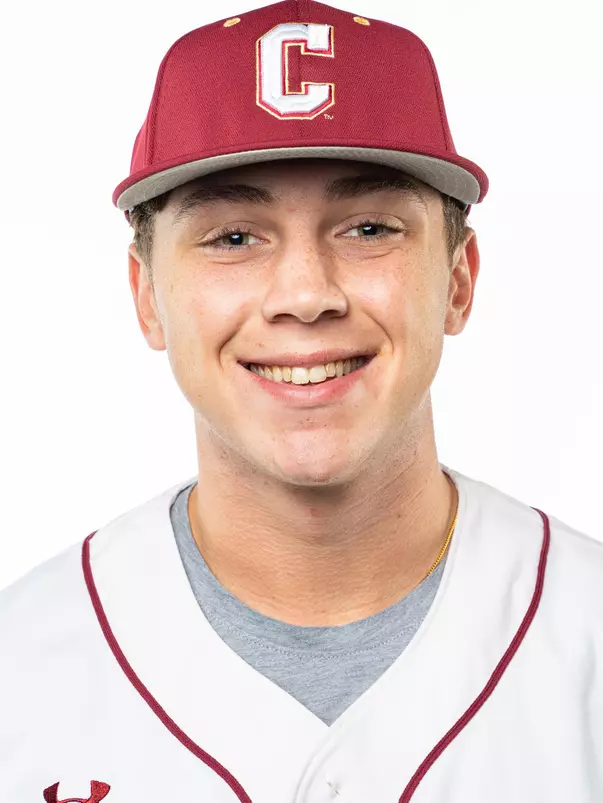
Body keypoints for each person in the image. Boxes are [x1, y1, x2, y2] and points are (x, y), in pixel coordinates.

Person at [1, 1, 601, 801]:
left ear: (457, 280)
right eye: (233, 237)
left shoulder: (585, 634)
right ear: (147, 295)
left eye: (367, 228)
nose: (305, 294)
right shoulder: (20, 667)